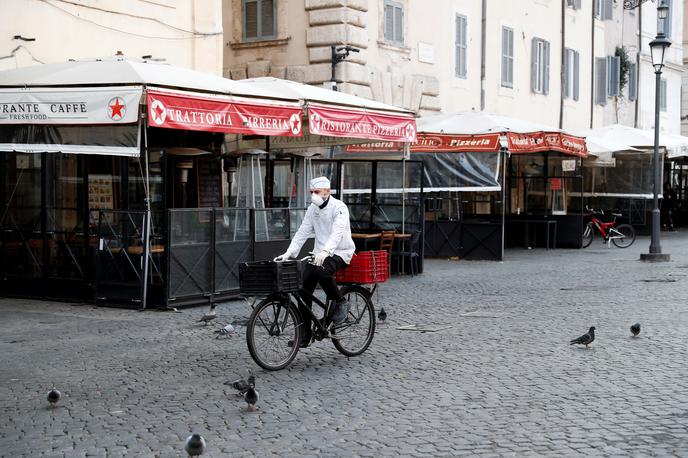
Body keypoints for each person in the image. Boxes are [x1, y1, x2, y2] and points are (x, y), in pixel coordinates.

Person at [275, 176, 356, 347]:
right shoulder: (313, 209)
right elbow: (302, 232)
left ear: (328, 191)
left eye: (317, 192)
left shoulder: (339, 208)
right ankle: (305, 333)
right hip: (319, 253)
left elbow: (337, 233)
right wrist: (289, 252)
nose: (314, 195)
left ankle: (340, 302)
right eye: (312, 192)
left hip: (340, 252)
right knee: (302, 285)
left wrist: (327, 251)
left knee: (321, 271)